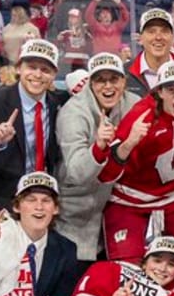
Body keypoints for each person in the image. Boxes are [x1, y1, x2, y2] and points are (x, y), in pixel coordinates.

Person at [95, 60, 174, 261]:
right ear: (159, 92)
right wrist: (129, 143)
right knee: (127, 268)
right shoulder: (141, 117)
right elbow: (105, 175)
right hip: (131, 201)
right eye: (172, 90)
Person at [0, 39, 65, 212]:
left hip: (41, 200)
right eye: (31, 67)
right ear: (18, 68)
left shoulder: (57, 104)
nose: (38, 75)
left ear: (54, 74)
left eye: (45, 70)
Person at [55, 52, 140, 267]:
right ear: (91, 83)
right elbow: (76, 171)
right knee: (73, 281)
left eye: (114, 79)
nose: (108, 86)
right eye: (101, 80)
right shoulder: (74, 112)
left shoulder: (134, 104)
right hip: (77, 213)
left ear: (124, 81)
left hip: (116, 209)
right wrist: (99, 146)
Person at [126, 8, 174, 98]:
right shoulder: (124, 73)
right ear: (140, 39)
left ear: (173, 38)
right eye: (151, 31)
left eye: (164, 31)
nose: (158, 37)